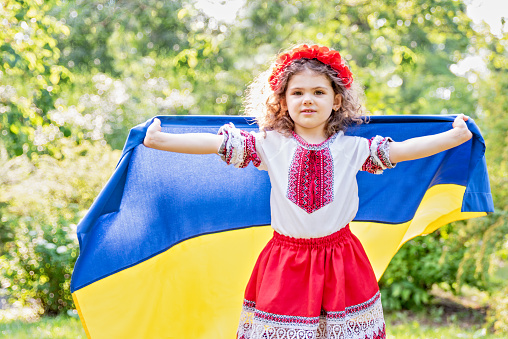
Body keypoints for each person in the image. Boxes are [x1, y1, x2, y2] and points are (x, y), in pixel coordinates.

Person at [142, 44, 472, 339]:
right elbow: (215, 143)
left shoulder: (353, 148)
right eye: (297, 93)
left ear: (337, 100)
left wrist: (453, 138)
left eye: (318, 92)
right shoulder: (269, 145)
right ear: (282, 101)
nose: (308, 100)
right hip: (286, 262)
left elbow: (402, 151)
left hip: (342, 260)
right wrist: (160, 141)